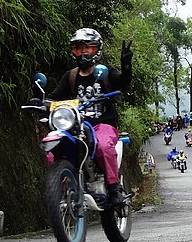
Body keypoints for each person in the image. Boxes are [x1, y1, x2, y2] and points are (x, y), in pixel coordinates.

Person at [47, 28, 133, 206]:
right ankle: (62, 189)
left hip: (103, 124)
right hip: (76, 125)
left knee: (103, 147)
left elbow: (123, 82)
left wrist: (126, 65)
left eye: (88, 48)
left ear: (96, 50)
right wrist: (41, 101)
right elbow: (54, 97)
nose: (83, 52)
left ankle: (113, 189)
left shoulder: (105, 72)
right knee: (54, 147)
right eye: (79, 49)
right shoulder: (71, 76)